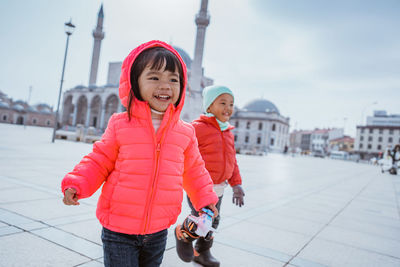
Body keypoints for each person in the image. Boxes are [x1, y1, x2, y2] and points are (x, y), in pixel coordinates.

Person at [61, 40, 219, 267]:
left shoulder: (185, 132)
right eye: (154, 78)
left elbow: (194, 170)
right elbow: (98, 160)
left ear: (182, 86)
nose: (165, 86)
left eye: (173, 80)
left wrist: (205, 200)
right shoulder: (120, 124)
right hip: (119, 229)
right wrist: (77, 184)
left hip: (158, 230)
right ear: (134, 83)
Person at [175, 85, 245, 267]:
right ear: (209, 106)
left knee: (214, 220)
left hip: (219, 187)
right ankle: (183, 235)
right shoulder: (198, 128)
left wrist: (236, 184)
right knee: (202, 218)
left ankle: (202, 252)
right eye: (222, 103)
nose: (228, 108)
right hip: (199, 186)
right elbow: (181, 149)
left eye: (231, 104)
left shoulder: (228, 132)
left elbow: (232, 160)